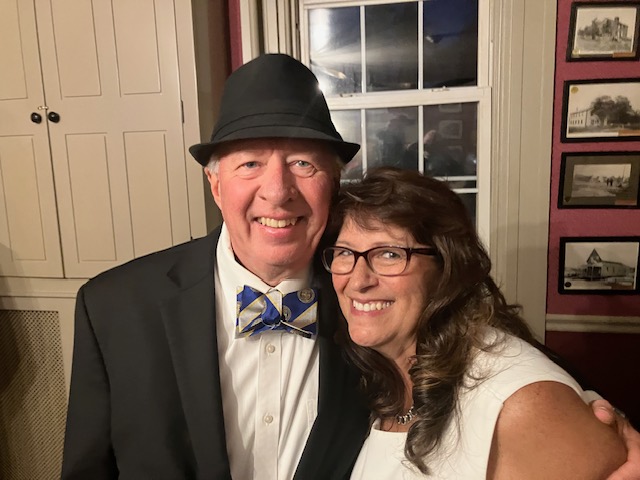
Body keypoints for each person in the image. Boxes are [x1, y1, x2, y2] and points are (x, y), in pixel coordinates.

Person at [61, 53, 639, 479]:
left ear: (334, 184)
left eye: (303, 164)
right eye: (249, 164)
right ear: (215, 184)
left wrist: (605, 433)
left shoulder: (369, 300)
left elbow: (497, 362)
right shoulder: (114, 307)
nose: (277, 191)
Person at [320, 167, 637, 479]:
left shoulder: (518, 404)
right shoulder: (379, 377)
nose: (358, 281)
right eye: (345, 252)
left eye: (389, 254)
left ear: (446, 268)